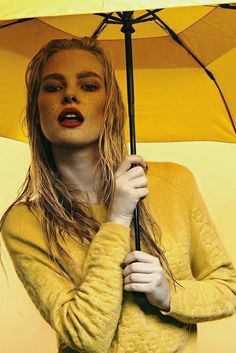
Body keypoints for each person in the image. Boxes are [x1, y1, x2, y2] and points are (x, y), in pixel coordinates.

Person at [0, 37, 235, 353]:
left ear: (110, 103)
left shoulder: (175, 182)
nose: (70, 95)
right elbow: (86, 337)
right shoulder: (25, 222)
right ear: (36, 108)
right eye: (53, 87)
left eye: (89, 86)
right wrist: (118, 218)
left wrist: (167, 294)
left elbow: (227, 289)